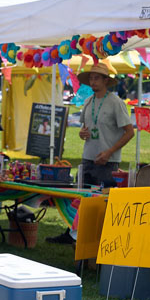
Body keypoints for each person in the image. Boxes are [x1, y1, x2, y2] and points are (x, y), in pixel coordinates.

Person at [48, 62, 134, 244]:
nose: (93, 82)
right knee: (82, 200)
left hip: (107, 162)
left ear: (105, 80)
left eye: (97, 78)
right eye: (91, 78)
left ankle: (100, 240)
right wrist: (82, 133)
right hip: (88, 159)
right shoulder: (88, 102)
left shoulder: (116, 103)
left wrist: (109, 152)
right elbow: (84, 129)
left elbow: (129, 132)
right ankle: (74, 235)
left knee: (102, 204)